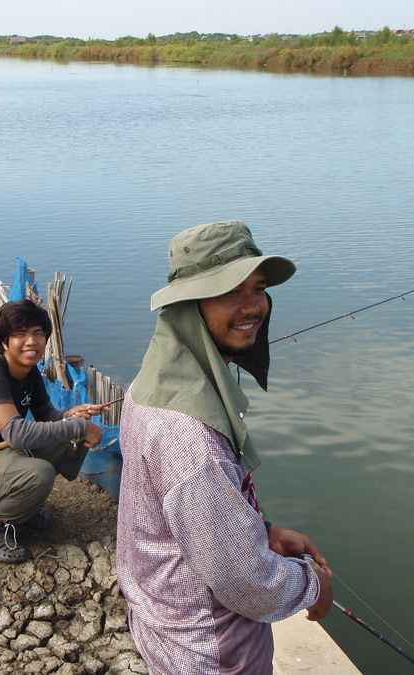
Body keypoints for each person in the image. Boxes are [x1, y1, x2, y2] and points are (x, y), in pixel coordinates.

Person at [116, 221, 333, 674]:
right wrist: (312, 585)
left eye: (257, 287)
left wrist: (263, 529)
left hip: (162, 619)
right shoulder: (190, 437)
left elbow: (192, 514)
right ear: (189, 305)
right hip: (209, 649)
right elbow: (244, 581)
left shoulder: (150, 382)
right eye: (231, 290)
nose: (253, 305)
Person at [0, 298, 104, 563]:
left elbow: (48, 416)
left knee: (70, 439)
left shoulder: (30, 374)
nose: (31, 342)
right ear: (5, 341)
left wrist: (71, 416)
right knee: (40, 473)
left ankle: (20, 506)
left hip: (0, 459)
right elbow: (15, 434)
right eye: (21, 334)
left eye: (38, 333)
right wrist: (79, 425)